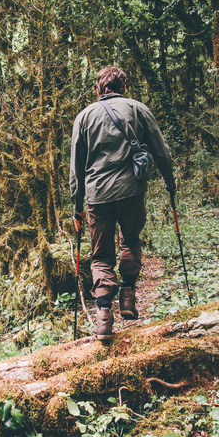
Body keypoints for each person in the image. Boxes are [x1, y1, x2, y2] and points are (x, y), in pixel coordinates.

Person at [70, 66, 176, 341]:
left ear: (99, 89)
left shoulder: (84, 117)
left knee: (101, 256)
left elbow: (76, 167)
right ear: (124, 87)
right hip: (132, 192)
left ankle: (104, 317)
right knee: (130, 241)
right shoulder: (138, 109)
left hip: (97, 198)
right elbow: (160, 149)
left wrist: (77, 206)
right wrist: (170, 180)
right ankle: (128, 295)